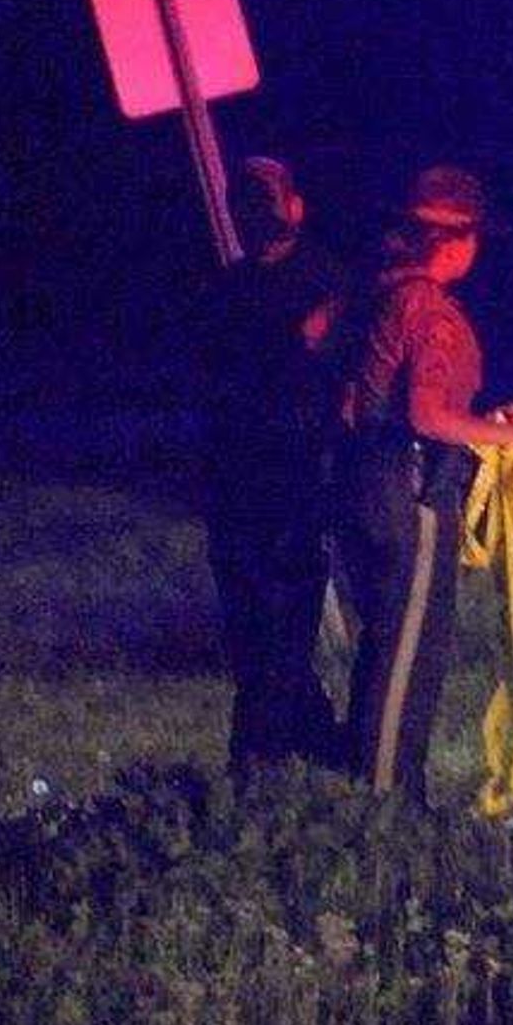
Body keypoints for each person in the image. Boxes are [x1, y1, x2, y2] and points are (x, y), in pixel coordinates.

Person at [333, 166, 513, 801]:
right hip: (413, 491)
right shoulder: (432, 312)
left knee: (383, 641)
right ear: (457, 244)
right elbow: (427, 414)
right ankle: (387, 799)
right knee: (410, 649)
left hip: (361, 481)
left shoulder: (373, 295)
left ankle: (369, 782)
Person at [195, 155, 343, 771]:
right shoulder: (226, 290)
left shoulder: (325, 282)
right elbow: (214, 378)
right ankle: (310, 744)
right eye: (243, 202)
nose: (254, 213)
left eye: (266, 199)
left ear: (295, 206)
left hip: (296, 481)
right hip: (237, 484)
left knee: (283, 628)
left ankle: (259, 759)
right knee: (252, 633)